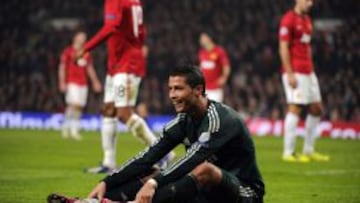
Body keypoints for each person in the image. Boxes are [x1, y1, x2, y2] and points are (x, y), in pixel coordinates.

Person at [47, 64, 265, 203]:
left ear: (198, 90)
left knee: (203, 169)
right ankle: (91, 202)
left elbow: (193, 160)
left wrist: (154, 184)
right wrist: (108, 181)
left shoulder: (220, 120)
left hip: (243, 193)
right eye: (170, 89)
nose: (172, 95)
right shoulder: (183, 121)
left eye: (178, 88)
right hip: (205, 193)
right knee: (151, 169)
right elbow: (147, 155)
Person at [76, 0, 173, 173]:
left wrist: (86, 48)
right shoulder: (134, 1)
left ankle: (163, 152)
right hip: (118, 63)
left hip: (126, 64)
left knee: (123, 114)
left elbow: (111, 27)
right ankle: (108, 162)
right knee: (109, 111)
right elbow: (141, 31)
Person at [279, 0, 330, 162]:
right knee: (295, 107)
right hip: (295, 71)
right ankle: (288, 152)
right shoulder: (288, 20)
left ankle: (308, 150)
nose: (310, 3)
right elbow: (283, 47)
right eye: (307, 0)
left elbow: (305, 47)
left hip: (308, 71)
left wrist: (311, 69)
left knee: (316, 108)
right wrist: (289, 72)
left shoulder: (307, 20)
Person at [59, 31, 102, 140]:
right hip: (72, 82)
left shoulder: (86, 53)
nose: (82, 39)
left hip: (83, 83)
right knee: (74, 105)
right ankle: (73, 130)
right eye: (80, 37)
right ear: (75, 38)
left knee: (78, 107)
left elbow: (89, 68)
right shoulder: (68, 51)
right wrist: (62, 82)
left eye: (84, 37)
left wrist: (95, 81)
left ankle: (67, 127)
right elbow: (62, 67)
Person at [198, 32, 231, 103]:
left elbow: (226, 66)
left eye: (203, 38)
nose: (201, 40)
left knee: (214, 111)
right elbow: (202, 67)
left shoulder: (219, 51)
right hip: (204, 88)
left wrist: (224, 77)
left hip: (215, 88)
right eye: (201, 39)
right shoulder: (202, 53)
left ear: (209, 38)